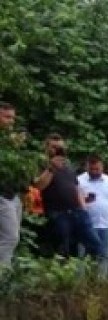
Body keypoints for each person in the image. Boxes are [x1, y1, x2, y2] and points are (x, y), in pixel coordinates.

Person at [34, 135, 95, 260]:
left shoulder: (68, 166)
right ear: (46, 148)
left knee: (89, 245)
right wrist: (51, 168)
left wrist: (83, 209)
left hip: (76, 211)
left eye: (60, 147)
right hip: (56, 212)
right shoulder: (41, 163)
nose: (57, 150)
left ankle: (84, 276)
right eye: (54, 147)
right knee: (62, 249)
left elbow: (76, 188)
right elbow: (39, 186)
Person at [0, 102, 38, 268]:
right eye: (7, 117)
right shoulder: (7, 142)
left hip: (14, 194)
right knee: (10, 237)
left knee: (11, 237)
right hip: (2, 195)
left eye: (13, 118)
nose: (11, 122)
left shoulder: (10, 140)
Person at [76, 155, 108, 279]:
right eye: (92, 169)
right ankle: (80, 282)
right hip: (85, 224)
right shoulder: (79, 180)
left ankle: (100, 282)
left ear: (102, 167)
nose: (95, 172)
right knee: (82, 255)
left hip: (106, 224)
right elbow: (75, 200)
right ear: (87, 167)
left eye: (97, 169)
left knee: (104, 255)